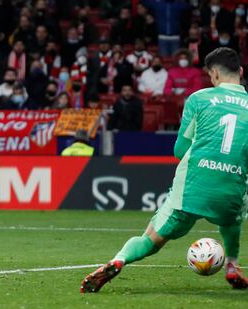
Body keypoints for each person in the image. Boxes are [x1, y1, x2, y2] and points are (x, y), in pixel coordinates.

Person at [81, 47, 248, 293]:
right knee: (232, 221)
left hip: (192, 187)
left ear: (213, 74)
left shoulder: (199, 99)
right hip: (231, 188)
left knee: (151, 239)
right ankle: (232, 264)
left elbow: (180, 150)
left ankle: (119, 259)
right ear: (241, 72)